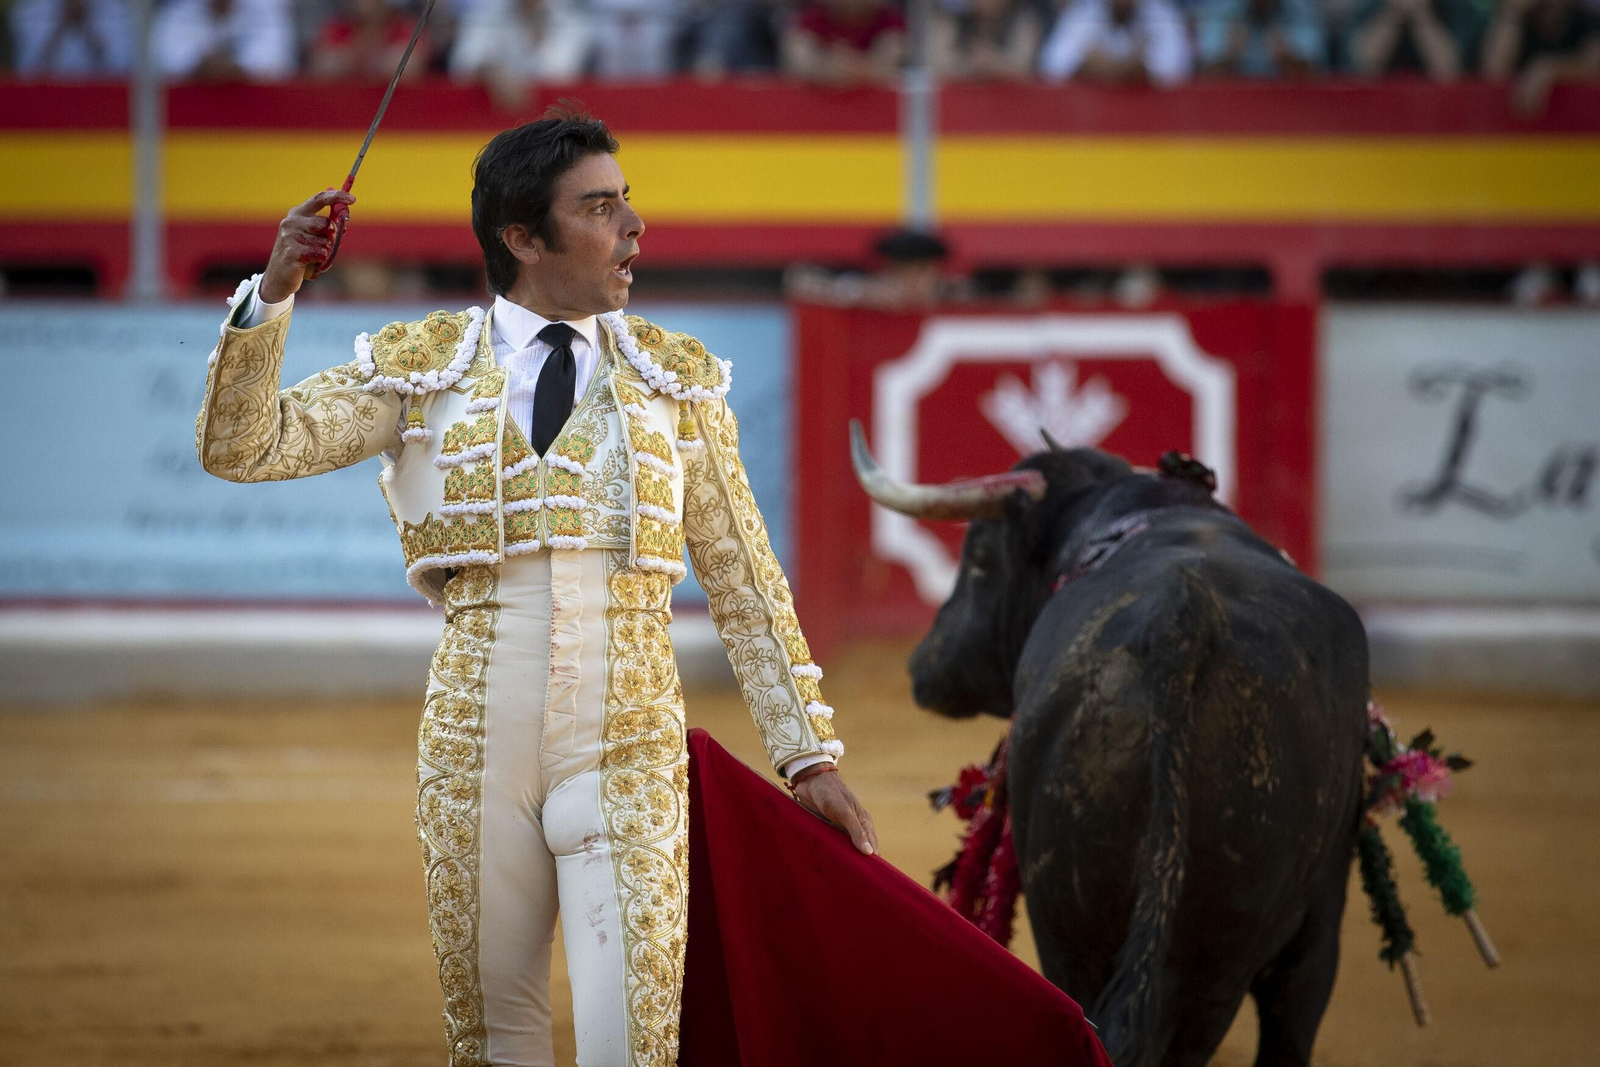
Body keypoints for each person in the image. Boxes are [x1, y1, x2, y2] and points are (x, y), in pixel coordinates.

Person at [194, 109, 872, 1067]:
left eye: (626, 202)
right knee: (493, 1042)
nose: (633, 227)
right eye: (599, 208)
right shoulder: (425, 369)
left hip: (630, 739)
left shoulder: (673, 381)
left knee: (634, 1047)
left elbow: (745, 580)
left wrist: (808, 757)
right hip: (476, 741)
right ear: (522, 238)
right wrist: (273, 292)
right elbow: (242, 447)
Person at [449, 0, 591, 108]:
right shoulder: (487, 13)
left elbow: (561, 72)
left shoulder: (572, 18)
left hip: (556, 121)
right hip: (490, 123)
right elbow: (462, 63)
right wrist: (492, 71)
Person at [1481, 0, 1600, 111]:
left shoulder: (1589, 21)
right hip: (1519, 122)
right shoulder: (1519, 24)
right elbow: (1493, 73)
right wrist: (1512, 14)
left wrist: (1552, 70)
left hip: (1577, 120)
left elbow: (1593, 65)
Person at [1038, 0, 1194, 84]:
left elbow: (1176, 72)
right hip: (1089, 111)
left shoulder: (1161, 12)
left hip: (1150, 114)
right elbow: (1051, 68)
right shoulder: (1083, 10)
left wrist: (1106, 67)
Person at [153, 0, 296, 81]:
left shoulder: (267, 7)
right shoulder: (179, 8)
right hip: (188, 110)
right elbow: (164, 59)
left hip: (257, 110)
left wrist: (235, 68)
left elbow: (276, 59)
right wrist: (199, 64)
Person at [782, 0, 906, 85]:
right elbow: (798, 57)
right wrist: (823, 68)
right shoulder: (814, 17)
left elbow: (892, 56)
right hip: (821, 106)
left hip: (878, 108)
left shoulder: (890, 20)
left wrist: (852, 68)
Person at [1345, 0, 1472, 81]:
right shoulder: (1368, 8)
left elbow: (1449, 74)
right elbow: (1364, 67)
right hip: (1379, 105)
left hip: (1438, 105)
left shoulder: (1457, 10)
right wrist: (1394, 13)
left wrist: (1421, 15)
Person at [308, 0, 434, 81]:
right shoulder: (336, 27)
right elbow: (323, 66)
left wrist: (359, 59)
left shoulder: (406, 27)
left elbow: (408, 67)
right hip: (342, 104)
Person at [1196, 0, 1325, 76]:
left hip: (1289, 103)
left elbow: (1318, 76)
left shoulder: (1300, 10)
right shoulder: (1223, 8)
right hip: (1231, 103)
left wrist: (1288, 57)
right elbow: (1203, 75)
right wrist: (1230, 55)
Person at [9, 0, 131, 78]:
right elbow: (27, 73)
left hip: (102, 100)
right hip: (45, 99)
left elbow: (122, 72)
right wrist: (61, 26)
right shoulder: (27, 11)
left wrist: (86, 28)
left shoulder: (121, 11)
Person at [928, 0, 1045, 80]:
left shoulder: (1023, 21)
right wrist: (971, 66)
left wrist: (992, 63)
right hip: (960, 101)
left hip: (1010, 101)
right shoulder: (952, 22)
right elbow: (937, 66)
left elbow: (1025, 70)